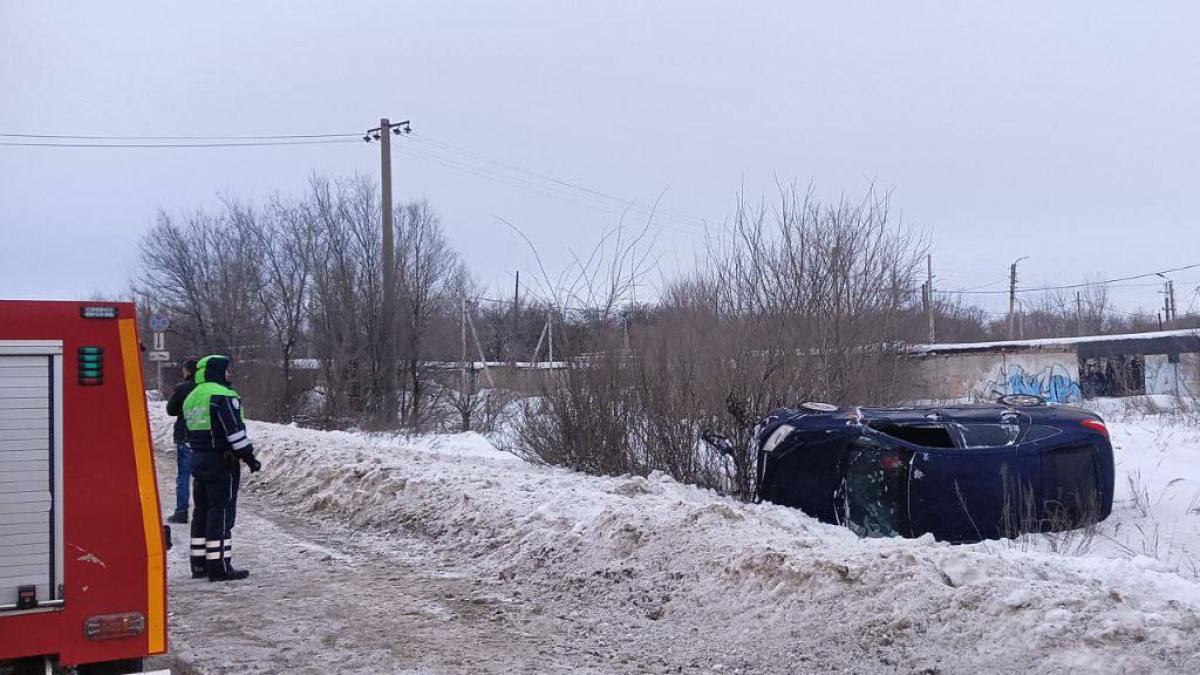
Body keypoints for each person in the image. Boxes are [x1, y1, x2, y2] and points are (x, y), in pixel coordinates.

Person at [183, 355, 261, 581]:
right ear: (218, 371)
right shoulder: (222, 395)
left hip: (198, 458)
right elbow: (234, 432)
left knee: (201, 510)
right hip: (221, 461)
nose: (229, 375)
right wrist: (248, 457)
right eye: (227, 371)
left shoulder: (192, 396)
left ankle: (198, 564)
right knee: (221, 511)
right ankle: (219, 566)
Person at [164, 359, 198, 524]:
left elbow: (171, 410)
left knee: (183, 476)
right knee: (202, 477)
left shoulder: (182, 388)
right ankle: (202, 512)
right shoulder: (206, 388)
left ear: (188, 371)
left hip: (185, 435)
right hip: (203, 437)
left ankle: (181, 511)